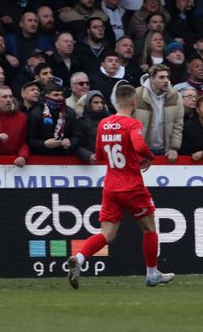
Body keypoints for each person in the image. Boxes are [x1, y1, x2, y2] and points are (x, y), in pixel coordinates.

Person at [66, 84, 174, 289]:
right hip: (131, 186)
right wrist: (149, 157)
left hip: (111, 186)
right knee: (149, 229)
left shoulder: (104, 123)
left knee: (106, 234)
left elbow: (98, 154)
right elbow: (140, 146)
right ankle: (152, 274)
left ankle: (79, 259)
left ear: (116, 101)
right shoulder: (132, 124)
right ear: (133, 102)